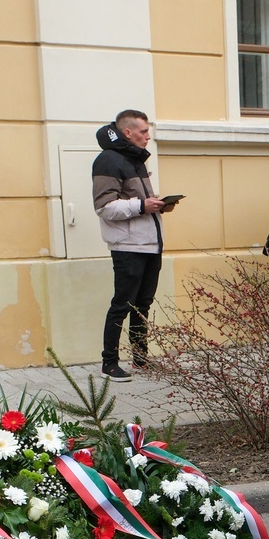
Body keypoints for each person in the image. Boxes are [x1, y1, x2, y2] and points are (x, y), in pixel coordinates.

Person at [93, 109, 175, 382]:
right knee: (122, 305)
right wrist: (142, 205)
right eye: (143, 131)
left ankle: (140, 359)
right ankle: (109, 364)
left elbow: (136, 203)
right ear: (128, 132)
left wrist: (158, 206)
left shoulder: (135, 159)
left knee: (142, 305)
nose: (148, 136)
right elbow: (104, 207)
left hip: (150, 244)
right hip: (128, 247)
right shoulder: (108, 160)